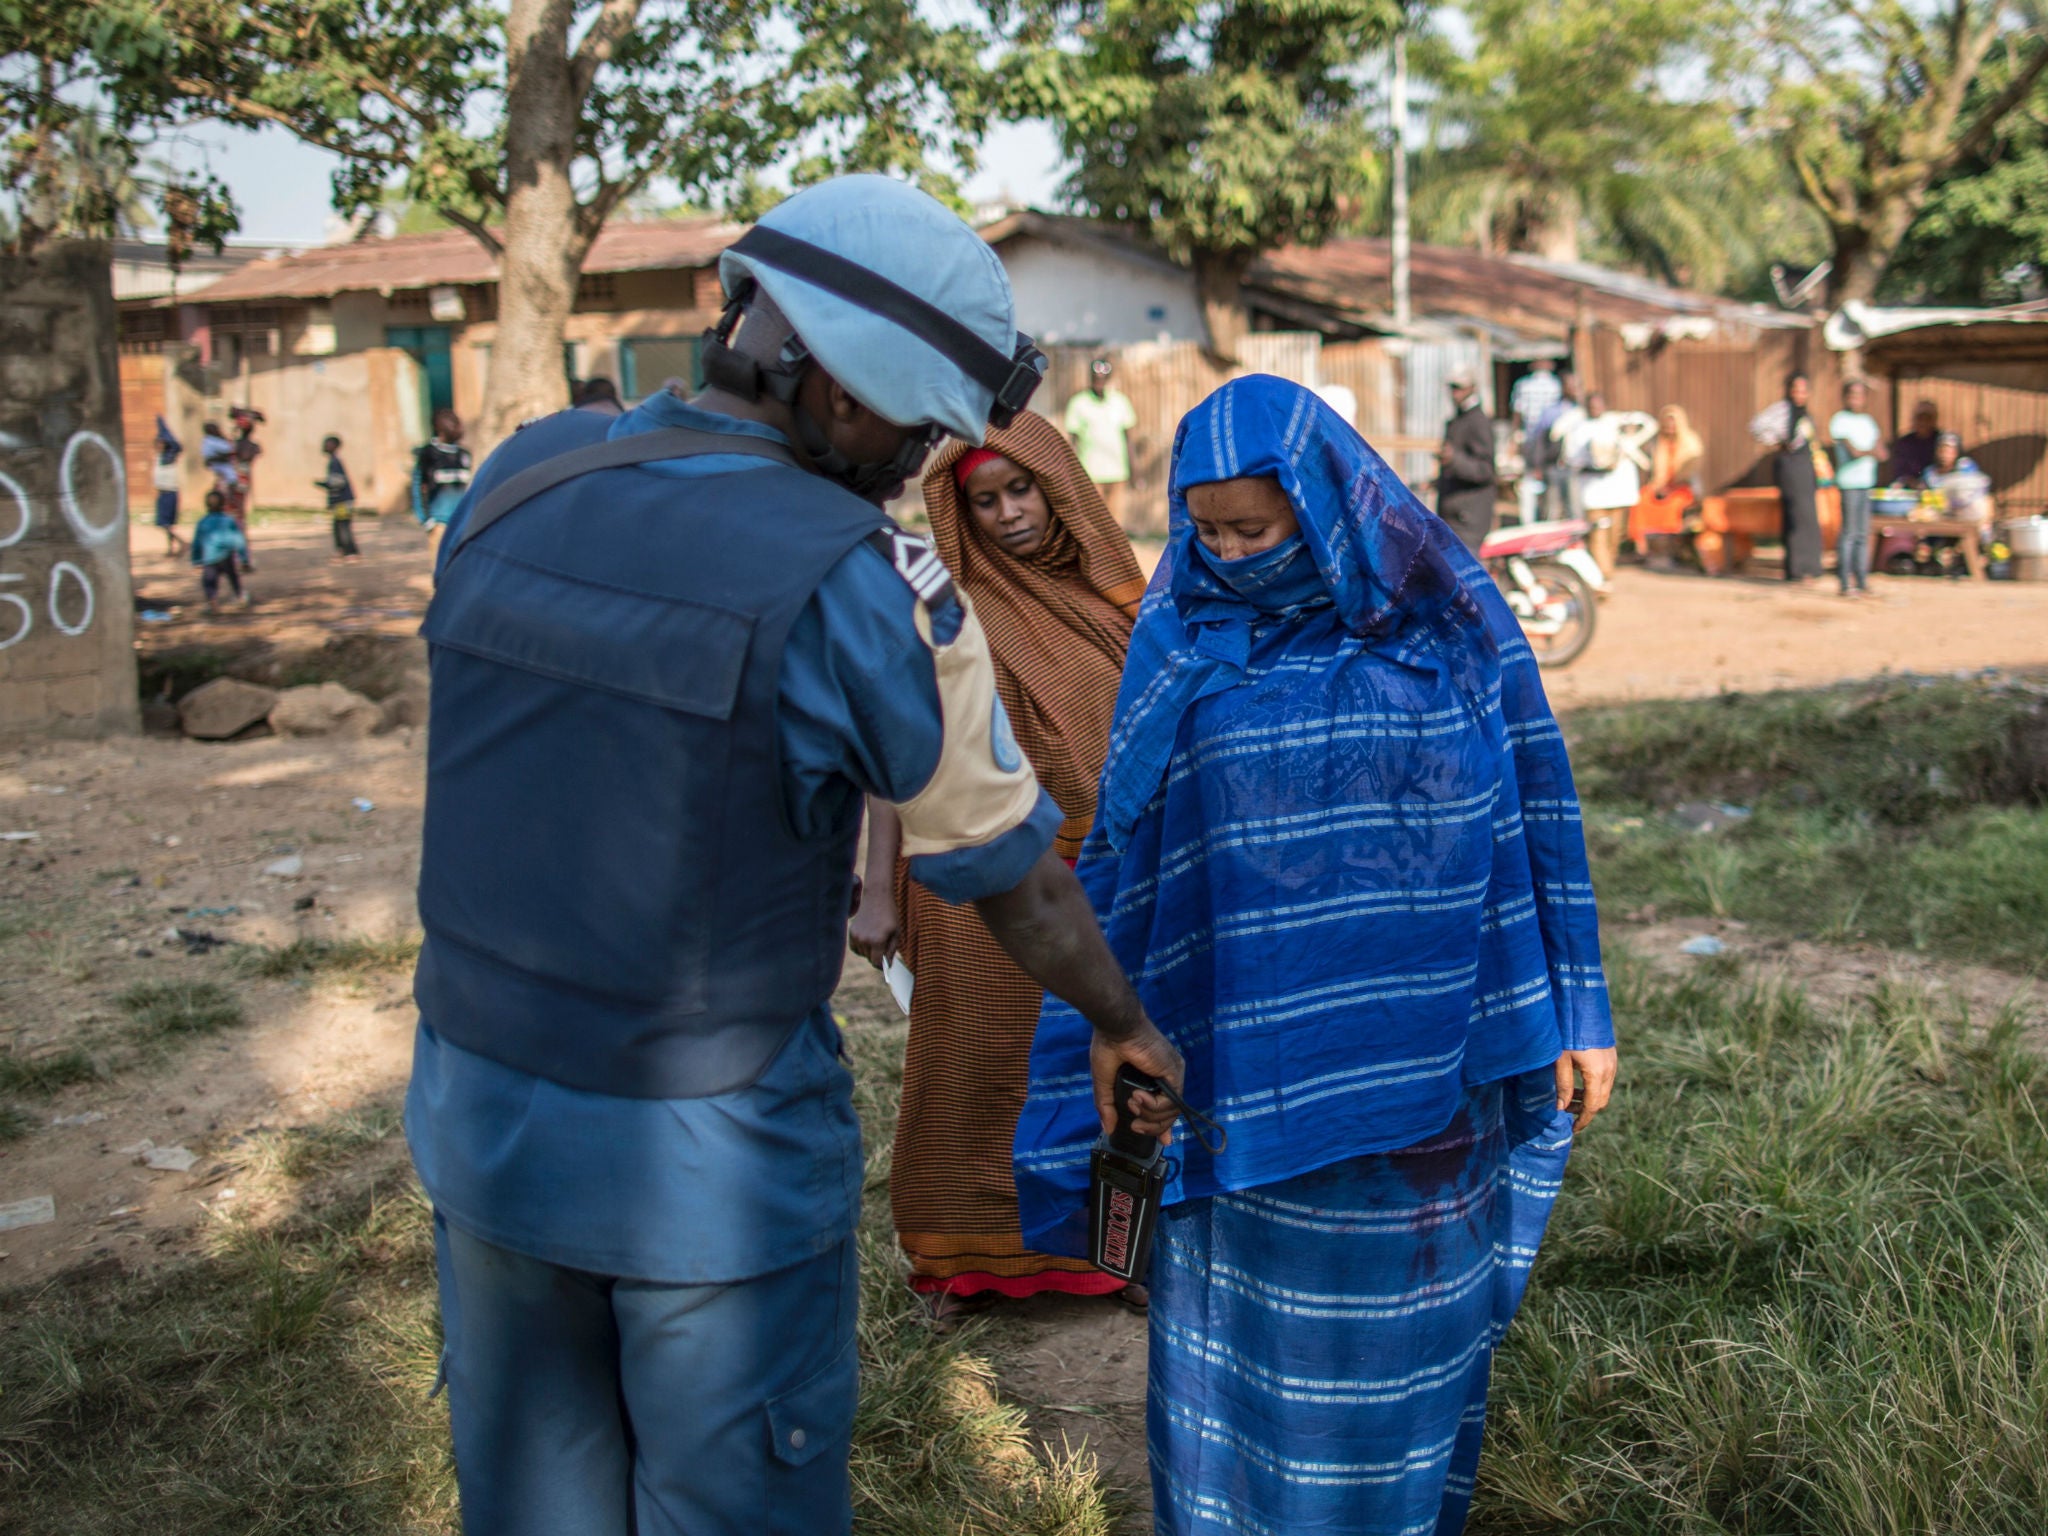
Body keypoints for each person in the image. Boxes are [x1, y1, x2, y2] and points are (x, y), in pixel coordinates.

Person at [405, 174, 1183, 1536]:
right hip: (702, 1156)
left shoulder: (522, 476)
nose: (920, 472)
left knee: (536, 1502)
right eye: (922, 434)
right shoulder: (867, 584)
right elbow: (1006, 869)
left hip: (477, 1109)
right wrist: (1121, 1024)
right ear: (843, 394)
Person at [1012, 375, 1618, 1536]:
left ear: (1330, 504)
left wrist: (1579, 1004)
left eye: (1258, 528)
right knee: (1246, 1365)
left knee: (1404, 1355)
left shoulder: (1448, 614)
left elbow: (1540, 803)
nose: (1231, 553)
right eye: (1209, 531)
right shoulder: (1178, 633)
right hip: (1237, 1077)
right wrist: (1105, 1020)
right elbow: (1127, 851)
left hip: (1427, 1083)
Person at [849, 411, 1149, 1326]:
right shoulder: (941, 607)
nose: (1010, 513)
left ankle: (1116, 1253)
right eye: (985, 500)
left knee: (1112, 1065)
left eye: (1023, 490)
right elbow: (894, 756)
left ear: (1061, 491)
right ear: (959, 512)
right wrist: (872, 887)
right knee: (973, 1066)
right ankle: (958, 1259)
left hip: (1104, 876)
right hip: (973, 877)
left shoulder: (1118, 606)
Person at [1564, 392, 1655, 575]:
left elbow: (1648, 423)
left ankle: (1606, 570)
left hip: (1617, 491)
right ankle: (1603, 576)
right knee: (1598, 535)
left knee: (1614, 536)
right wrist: (1595, 465)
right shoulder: (1578, 429)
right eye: (1591, 406)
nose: (1595, 409)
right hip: (1593, 491)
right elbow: (1571, 459)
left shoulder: (1616, 424)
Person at [1758, 373, 1825, 583]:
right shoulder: (1782, 410)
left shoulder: (1804, 414)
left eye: (1804, 390)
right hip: (1790, 467)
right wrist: (1778, 441)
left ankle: (1808, 567)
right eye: (1796, 389)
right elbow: (1757, 426)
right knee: (1797, 517)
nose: (1800, 394)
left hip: (1805, 467)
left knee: (1807, 516)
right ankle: (1798, 569)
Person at [1062, 357, 1140, 530]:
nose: (1099, 383)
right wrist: (1070, 472)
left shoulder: (1120, 402)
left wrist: (1135, 470)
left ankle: (1113, 554)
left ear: (1109, 379)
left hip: (1118, 472)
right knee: (1093, 520)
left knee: (1115, 521)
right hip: (1090, 473)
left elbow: (1128, 439)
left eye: (1103, 379)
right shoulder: (1078, 403)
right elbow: (1072, 443)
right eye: (1096, 379)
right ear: (1090, 378)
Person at [1628, 404, 1704, 569]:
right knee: (1642, 500)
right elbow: (1655, 472)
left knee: (1673, 505)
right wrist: (1658, 487)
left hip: (1681, 487)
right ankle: (1645, 547)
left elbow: (1689, 473)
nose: (1670, 427)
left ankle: (1670, 547)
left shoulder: (1690, 442)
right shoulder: (1658, 443)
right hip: (1660, 486)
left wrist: (1672, 486)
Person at [1829, 379, 1882, 598]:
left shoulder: (1868, 422)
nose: (1856, 399)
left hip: (1865, 483)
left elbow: (1882, 450)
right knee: (1849, 533)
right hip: (1849, 484)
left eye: (1860, 395)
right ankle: (1844, 581)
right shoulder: (1840, 421)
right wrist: (1869, 452)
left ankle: (1861, 579)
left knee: (1863, 533)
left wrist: (1867, 452)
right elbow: (1853, 452)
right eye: (1852, 394)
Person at [1435, 369, 1497, 550]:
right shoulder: (1457, 420)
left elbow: (1485, 470)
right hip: (1454, 514)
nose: (1455, 393)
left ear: (1472, 388)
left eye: (1459, 388)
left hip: (1469, 517)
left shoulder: (1477, 421)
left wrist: (1454, 460)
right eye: (1452, 388)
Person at [411, 409, 472, 538]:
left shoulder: (464, 455)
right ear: (439, 428)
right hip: (440, 524)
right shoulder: (428, 454)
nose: (455, 428)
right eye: (450, 423)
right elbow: (417, 488)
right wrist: (426, 520)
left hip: (463, 523)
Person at [1534, 368, 1583, 519]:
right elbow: (1540, 439)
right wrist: (1538, 465)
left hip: (1575, 468)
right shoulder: (1552, 412)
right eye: (1570, 385)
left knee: (1574, 509)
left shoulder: (1582, 411)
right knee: (1551, 510)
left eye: (1577, 385)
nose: (1574, 389)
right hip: (1554, 466)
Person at [190, 488, 248, 610]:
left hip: (210, 558)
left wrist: (196, 561)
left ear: (206, 505)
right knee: (233, 577)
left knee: (209, 581)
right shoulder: (229, 521)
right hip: (227, 556)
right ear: (223, 504)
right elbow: (239, 540)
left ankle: (212, 602)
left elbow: (196, 543)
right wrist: (244, 559)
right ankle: (240, 597)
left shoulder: (203, 522)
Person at [228, 406, 263, 571]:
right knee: (237, 521)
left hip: (236, 487)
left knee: (236, 521)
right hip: (238, 486)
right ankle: (242, 558)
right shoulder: (247, 446)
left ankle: (240, 558)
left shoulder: (239, 447)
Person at [317, 434, 360, 559]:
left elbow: (338, 482)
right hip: (340, 501)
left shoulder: (335, 462)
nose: (325, 446)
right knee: (339, 525)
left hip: (343, 501)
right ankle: (343, 550)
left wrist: (324, 484)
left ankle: (350, 551)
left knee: (343, 525)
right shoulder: (333, 461)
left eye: (328, 444)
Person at [152, 416, 186, 556]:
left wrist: (162, 426)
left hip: (170, 493)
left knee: (166, 523)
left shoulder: (169, 458)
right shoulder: (158, 458)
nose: (158, 446)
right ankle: (172, 547)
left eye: (161, 443)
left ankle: (180, 543)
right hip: (162, 493)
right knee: (163, 523)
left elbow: (176, 445)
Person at [1889, 398, 1942, 485]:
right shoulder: (1905, 443)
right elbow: (1900, 471)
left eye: (1928, 419)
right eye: (1920, 418)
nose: (1923, 422)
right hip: (1910, 487)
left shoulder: (1940, 441)